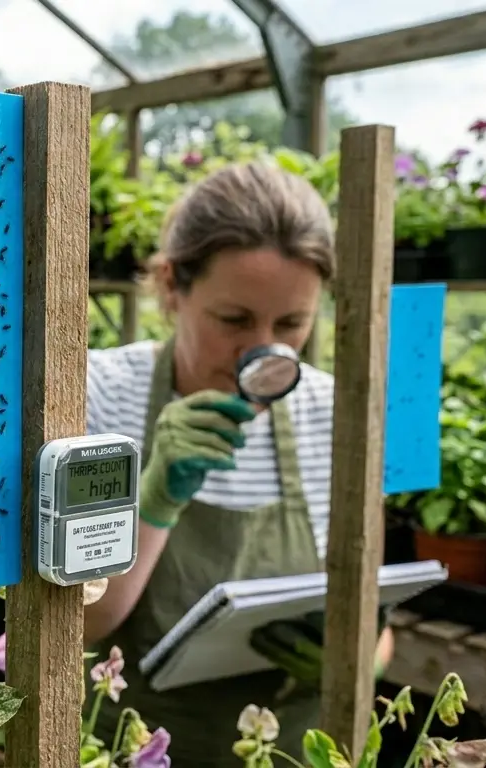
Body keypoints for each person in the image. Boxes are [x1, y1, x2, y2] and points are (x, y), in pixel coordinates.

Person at [84, 162, 395, 763]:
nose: (262, 352)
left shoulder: (334, 413)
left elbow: (381, 634)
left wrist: (351, 657)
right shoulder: (99, 390)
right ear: (172, 287)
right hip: (135, 747)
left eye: (290, 324)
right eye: (234, 320)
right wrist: (153, 500)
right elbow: (81, 627)